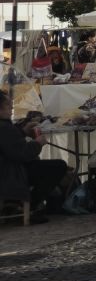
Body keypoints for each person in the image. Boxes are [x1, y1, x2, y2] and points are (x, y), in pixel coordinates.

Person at [0, 90, 70, 221]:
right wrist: (38, 144)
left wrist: (23, 131)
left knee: (47, 166)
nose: (11, 108)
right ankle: (29, 206)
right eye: (8, 105)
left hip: (10, 169)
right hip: (11, 173)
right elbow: (22, 153)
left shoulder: (5, 126)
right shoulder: (3, 127)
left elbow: (10, 145)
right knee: (58, 166)